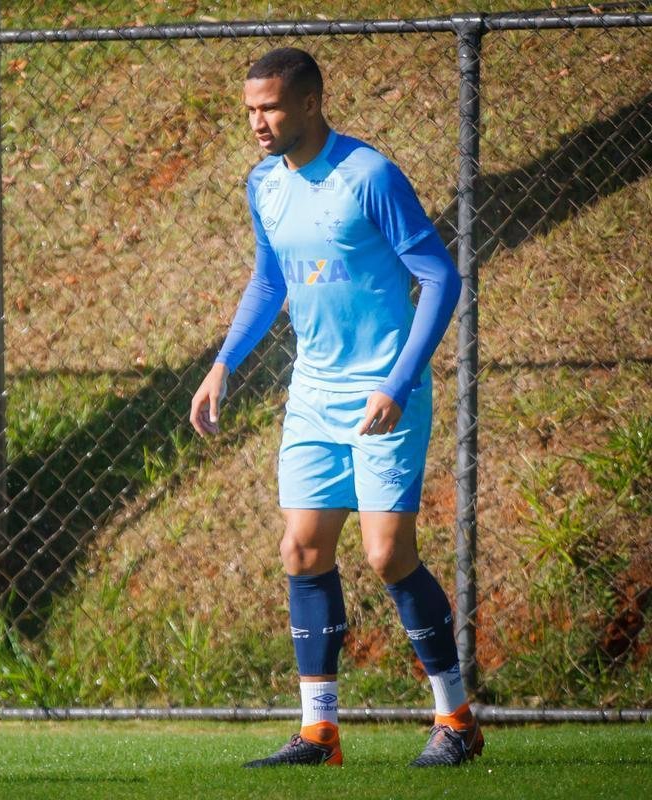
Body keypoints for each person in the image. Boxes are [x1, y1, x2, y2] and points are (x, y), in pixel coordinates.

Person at [189, 47, 481, 768]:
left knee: (388, 556)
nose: (257, 122)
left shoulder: (368, 175)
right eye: (250, 109)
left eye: (271, 108)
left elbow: (439, 276)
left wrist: (400, 381)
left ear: (312, 104)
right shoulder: (263, 184)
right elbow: (268, 282)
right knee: (302, 550)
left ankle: (457, 720)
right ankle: (319, 732)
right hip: (312, 396)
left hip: (386, 391)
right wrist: (222, 366)